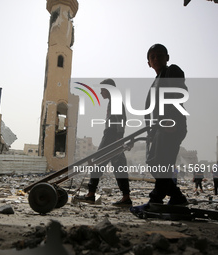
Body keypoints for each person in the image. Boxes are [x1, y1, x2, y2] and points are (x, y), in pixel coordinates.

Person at [130, 44, 188, 217]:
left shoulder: (172, 71)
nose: (156, 59)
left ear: (167, 57)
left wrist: (171, 120)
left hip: (171, 125)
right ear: (148, 62)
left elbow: (179, 93)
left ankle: (156, 199)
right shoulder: (154, 83)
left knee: (162, 163)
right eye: (152, 57)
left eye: (159, 55)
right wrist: (150, 133)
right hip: (157, 129)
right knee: (153, 163)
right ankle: (177, 197)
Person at [74, 79, 132, 207]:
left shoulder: (115, 101)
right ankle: (126, 197)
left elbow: (121, 120)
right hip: (113, 135)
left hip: (111, 136)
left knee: (97, 162)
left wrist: (119, 137)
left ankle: (90, 194)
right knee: (119, 165)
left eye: (102, 90)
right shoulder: (113, 101)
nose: (100, 93)